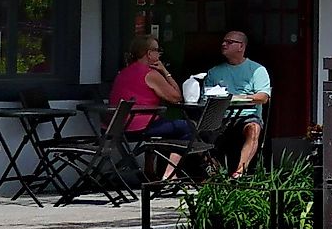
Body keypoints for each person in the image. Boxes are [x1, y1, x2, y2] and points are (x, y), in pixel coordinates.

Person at [108, 35, 195, 179]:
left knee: (159, 124)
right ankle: (170, 174)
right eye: (157, 50)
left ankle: (149, 171)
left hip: (115, 126)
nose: (159, 54)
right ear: (149, 53)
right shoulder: (150, 74)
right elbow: (176, 98)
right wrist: (165, 72)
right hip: (137, 127)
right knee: (189, 127)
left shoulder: (123, 72)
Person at [201, 30, 272, 176]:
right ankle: (215, 170)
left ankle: (239, 173)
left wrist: (237, 98)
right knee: (194, 130)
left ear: (241, 46)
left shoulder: (257, 70)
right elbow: (205, 98)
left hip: (247, 115)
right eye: (223, 41)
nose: (224, 44)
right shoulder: (214, 72)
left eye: (229, 42)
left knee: (253, 128)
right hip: (221, 116)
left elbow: (263, 97)